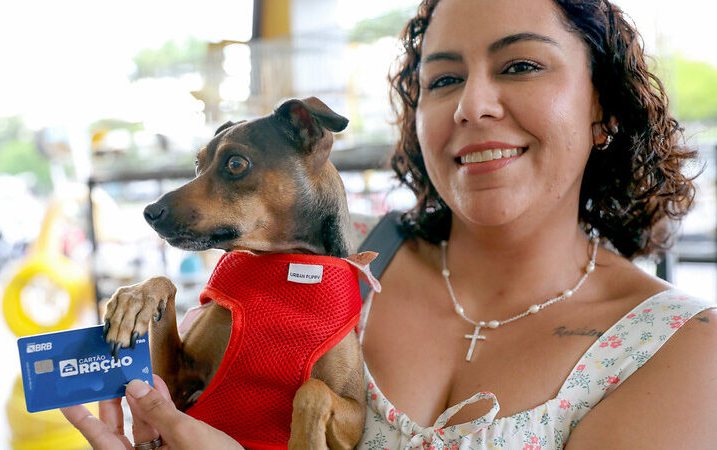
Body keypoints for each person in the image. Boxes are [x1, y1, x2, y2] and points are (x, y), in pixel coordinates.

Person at [64, 0, 717, 448]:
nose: (472, 104)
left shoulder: (671, 350)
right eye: (442, 79)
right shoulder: (333, 263)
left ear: (603, 106)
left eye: (519, 65)